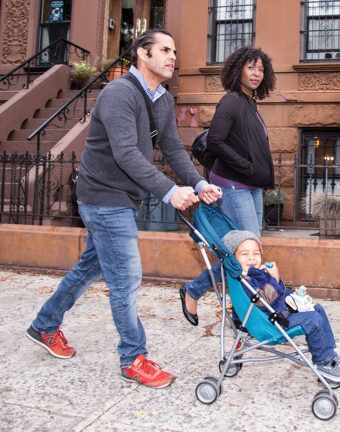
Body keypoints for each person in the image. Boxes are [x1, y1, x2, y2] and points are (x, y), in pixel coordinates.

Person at [25, 30, 222, 388]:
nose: (172, 56)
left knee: (90, 267)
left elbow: (174, 149)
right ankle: (133, 357)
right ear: (142, 54)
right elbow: (126, 152)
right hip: (102, 197)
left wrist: (198, 183)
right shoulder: (119, 93)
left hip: (122, 198)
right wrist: (168, 191)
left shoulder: (161, 99)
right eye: (164, 50)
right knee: (127, 280)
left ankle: (44, 325)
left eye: (174, 51)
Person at [179, 47, 277, 327]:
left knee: (245, 252)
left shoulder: (250, 103)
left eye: (261, 69)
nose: (256, 73)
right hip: (235, 186)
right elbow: (216, 142)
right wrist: (246, 167)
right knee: (247, 253)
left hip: (252, 186)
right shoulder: (230, 102)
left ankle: (202, 293)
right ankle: (241, 314)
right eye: (251, 68)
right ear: (238, 70)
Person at [221, 230, 340, 383]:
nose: (251, 257)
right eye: (244, 254)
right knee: (313, 320)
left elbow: (278, 292)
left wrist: (289, 293)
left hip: (279, 314)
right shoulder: (244, 281)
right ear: (233, 259)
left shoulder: (256, 273)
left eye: (256, 253)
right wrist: (274, 278)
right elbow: (263, 300)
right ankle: (323, 362)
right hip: (270, 324)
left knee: (317, 309)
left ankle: (328, 352)